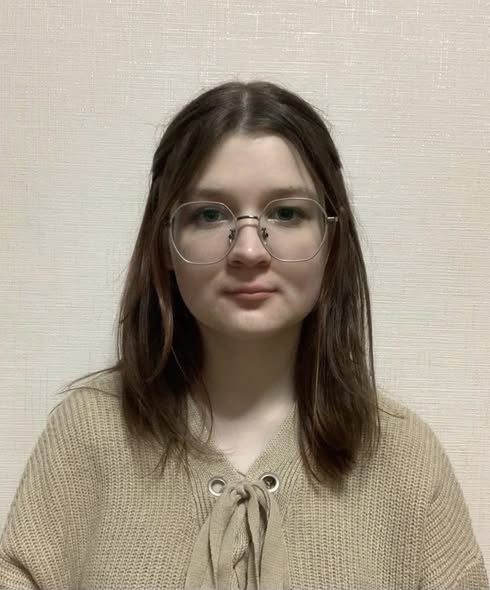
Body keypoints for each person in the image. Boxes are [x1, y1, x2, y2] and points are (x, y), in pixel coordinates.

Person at [0, 80, 488, 590]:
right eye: (210, 214)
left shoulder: (405, 459)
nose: (249, 251)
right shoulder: (86, 435)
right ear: (165, 243)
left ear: (332, 241)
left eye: (287, 213)